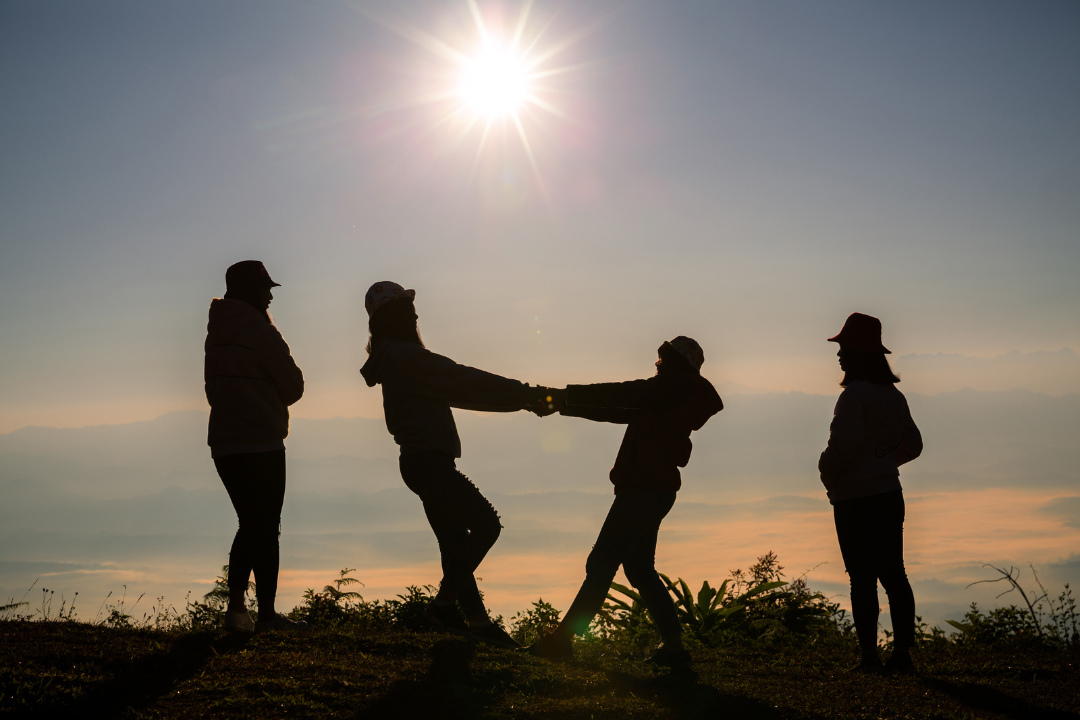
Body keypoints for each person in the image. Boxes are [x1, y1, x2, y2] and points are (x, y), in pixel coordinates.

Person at [359, 281, 551, 649]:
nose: (416, 313)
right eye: (407, 309)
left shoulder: (394, 356)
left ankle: (477, 623)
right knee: (486, 526)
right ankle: (444, 606)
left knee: (453, 544)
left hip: (419, 462)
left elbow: (456, 382)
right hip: (429, 464)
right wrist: (525, 395)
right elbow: (461, 379)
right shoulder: (405, 356)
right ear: (394, 317)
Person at [528, 337, 723, 666]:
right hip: (654, 491)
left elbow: (622, 394)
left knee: (601, 563)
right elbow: (620, 409)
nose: (658, 363)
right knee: (639, 569)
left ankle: (562, 641)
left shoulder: (671, 388)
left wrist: (564, 396)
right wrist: (563, 405)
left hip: (642, 492)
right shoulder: (671, 395)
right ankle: (675, 650)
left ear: (675, 363)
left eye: (664, 358)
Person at [205, 260, 307, 633]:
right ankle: (266, 616)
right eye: (265, 289)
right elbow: (293, 387)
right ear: (249, 291)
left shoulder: (216, 332)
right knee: (265, 527)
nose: (269, 295)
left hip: (224, 443)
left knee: (250, 523)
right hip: (262, 441)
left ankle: (236, 611)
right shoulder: (262, 333)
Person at [818, 312, 922, 674]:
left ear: (859, 352)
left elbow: (841, 447)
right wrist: (883, 462)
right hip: (889, 494)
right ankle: (903, 656)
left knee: (861, 577)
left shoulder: (854, 397)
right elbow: (914, 443)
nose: (839, 354)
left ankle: (869, 658)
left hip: (854, 501)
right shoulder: (893, 396)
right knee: (895, 573)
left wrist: (827, 472)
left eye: (844, 347)